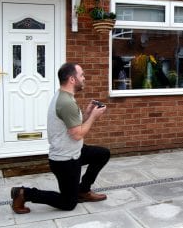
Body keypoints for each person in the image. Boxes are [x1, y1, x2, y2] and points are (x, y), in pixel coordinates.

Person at [11, 62, 110, 214]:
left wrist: (87, 113)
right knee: (68, 203)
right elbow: (77, 134)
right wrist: (94, 117)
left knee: (102, 154)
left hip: (73, 152)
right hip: (65, 161)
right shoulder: (66, 102)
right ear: (72, 79)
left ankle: (83, 190)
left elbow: (71, 125)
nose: (84, 78)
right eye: (81, 75)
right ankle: (24, 193)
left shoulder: (64, 96)